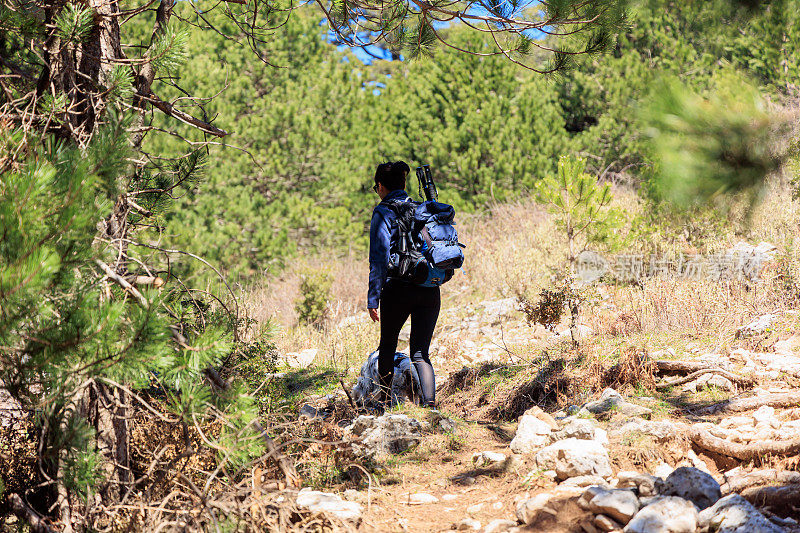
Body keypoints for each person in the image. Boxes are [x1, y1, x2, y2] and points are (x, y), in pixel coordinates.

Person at [368, 161, 439, 410]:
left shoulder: (383, 212)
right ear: (404, 183)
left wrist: (373, 299)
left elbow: (378, 259)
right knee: (420, 353)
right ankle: (430, 408)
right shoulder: (422, 208)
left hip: (397, 289)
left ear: (380, 186)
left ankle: (387, 404)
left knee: (387, 345)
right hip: (429, 287)